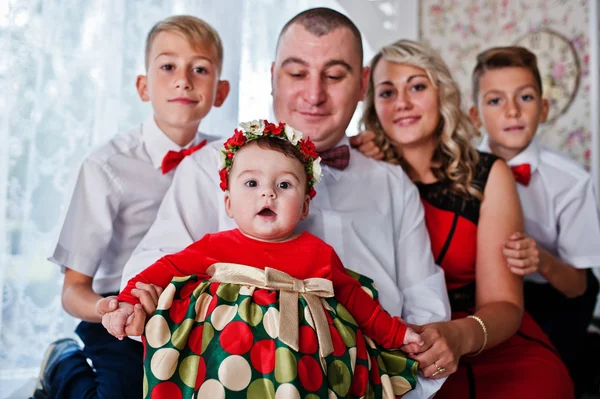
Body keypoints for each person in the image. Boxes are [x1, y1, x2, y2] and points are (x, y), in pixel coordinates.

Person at [106, 8, 451, 399]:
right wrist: (137, 304)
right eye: (297, 73)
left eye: (335, 75)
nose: (315, 94)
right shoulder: (209, 167)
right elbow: (153, 266)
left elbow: (426, 305)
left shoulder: (392, 183)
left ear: (363, 83)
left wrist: (413, 378)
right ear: (272, 76)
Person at [103, 123, 422, 398]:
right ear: (228, 203)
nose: (268, 193)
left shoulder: (317, 253)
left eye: (284, 185)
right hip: (224, 369)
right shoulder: (215, 246)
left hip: (298, 374)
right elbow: (164, 270)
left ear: (305, 206)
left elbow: (355, 299)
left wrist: (397, 334)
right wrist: (130, 300)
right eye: (252, 183)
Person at [356, 39, 573, 398]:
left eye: (418, 86)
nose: (403, 103)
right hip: (397, 348)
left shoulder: (490, 174)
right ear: (372, 106)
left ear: (442, 93)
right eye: (387, 92)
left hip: (489, 338)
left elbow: (504, 304)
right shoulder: (357, 173)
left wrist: (458, 335)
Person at [35, 15, 229, 399]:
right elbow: (73, 289)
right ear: (143, 86)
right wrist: (111, 309)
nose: (183, 79)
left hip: (196, 316)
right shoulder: (106, 167)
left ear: (220, 92)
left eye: (200, 69)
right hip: (118, 316)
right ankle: (63, 363)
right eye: (168, 66)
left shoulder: (231, 158)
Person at [469, 46, 600, 397]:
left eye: (525, 97)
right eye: (495, 101)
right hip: (479, 289)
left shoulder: (572, 182)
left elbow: (577, 285)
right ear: (475, 116)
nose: (512, 110)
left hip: (554, 291)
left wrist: (538, 259)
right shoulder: (457, 170)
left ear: (542, 109)